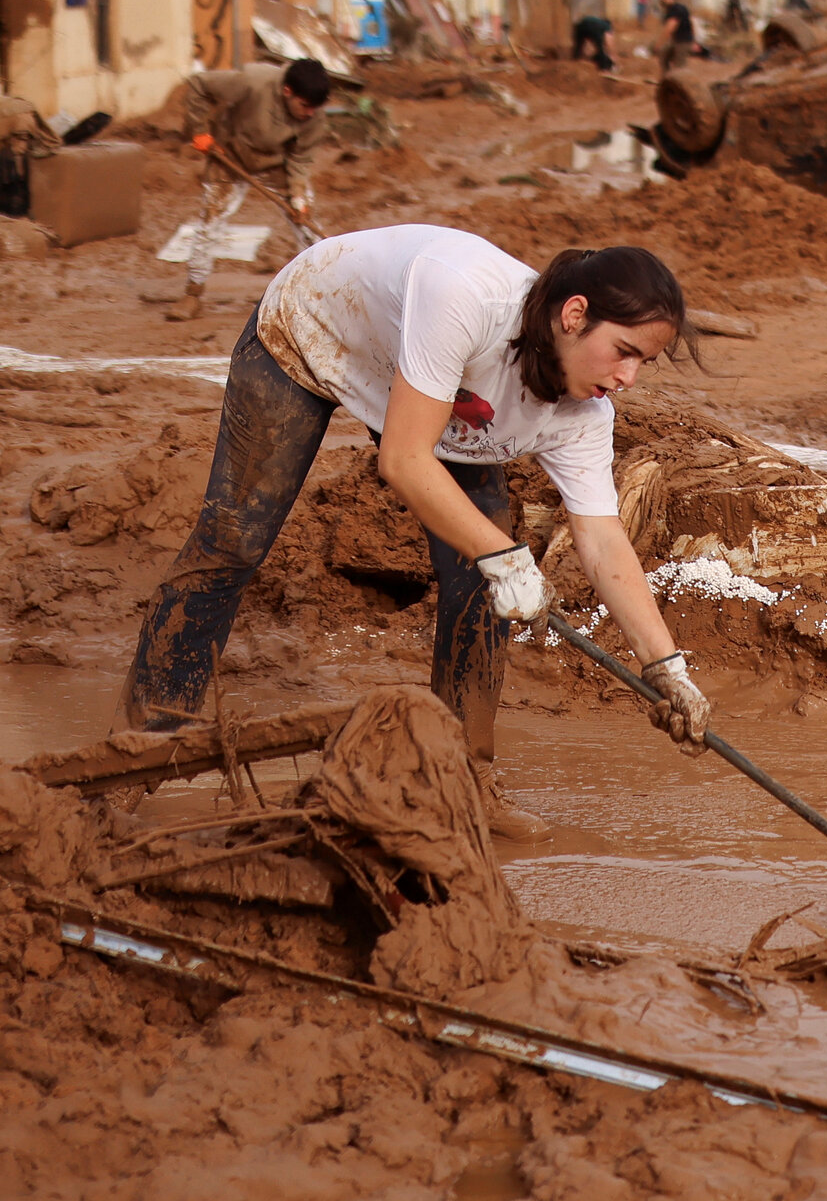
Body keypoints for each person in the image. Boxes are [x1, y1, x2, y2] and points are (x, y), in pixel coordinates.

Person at [120, 231, 715, 842]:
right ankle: (141, 754)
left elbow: (603, 540)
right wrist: (506, 558)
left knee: (482, 585)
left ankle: (463, 782)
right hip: (314, 332)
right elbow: (403, 459)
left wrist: (667, 669)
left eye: (642, 361)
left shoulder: (583, 414)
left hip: (441, 396)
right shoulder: (465, 297)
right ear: (573, 315)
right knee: (234, 542)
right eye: (624, 351)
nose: (629, 377)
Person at [168, 58, 332, 322]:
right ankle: (193, 293)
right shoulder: (251, 81)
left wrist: (298, 197)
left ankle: (326, 294)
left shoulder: (314, 115)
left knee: (307, 226)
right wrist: (198, 130)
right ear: (287, 91)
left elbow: (300, 160)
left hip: (275, 163)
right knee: (211, 220)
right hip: (230, 156)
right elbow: (199, 84)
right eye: (304, 106)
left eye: (315, 108)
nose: (309, 113)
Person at [658, 0, 699, 71]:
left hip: (683, 42)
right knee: (664, 56)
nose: (662, 0)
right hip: (678, 41)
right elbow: (692, 23)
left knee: (679, 66)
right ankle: (668, 79)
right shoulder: (677, 8)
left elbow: (670, 28)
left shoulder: (675, 10)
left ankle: (681, 81)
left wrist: (659, 43)